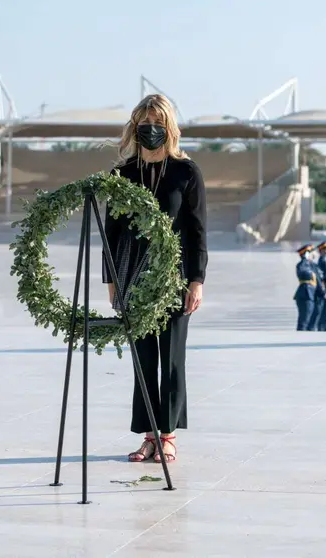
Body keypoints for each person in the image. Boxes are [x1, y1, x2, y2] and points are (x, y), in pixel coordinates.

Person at [102, 94, 207, 463]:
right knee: (143, 360)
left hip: (174, 278)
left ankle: (169, 435)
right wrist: (111, 281)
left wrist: (197, 281)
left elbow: (197, 231)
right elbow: (110, 231)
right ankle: (148, 435)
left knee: (172, 358)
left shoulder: (186, 172)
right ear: (135, 127)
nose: (151, 131)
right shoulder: (123, 174)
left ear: (169, 127)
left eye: (158, 124)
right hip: (133, 276)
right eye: (144, 124)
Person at [293, 244, 317, 331]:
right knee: (304, 320)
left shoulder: (311, 264)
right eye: (310, 253)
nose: (313, 254)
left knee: (309, 319)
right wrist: (304, 259)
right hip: (305, 294)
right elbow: (302, 273)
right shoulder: (301, 264)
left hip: (311, 294)